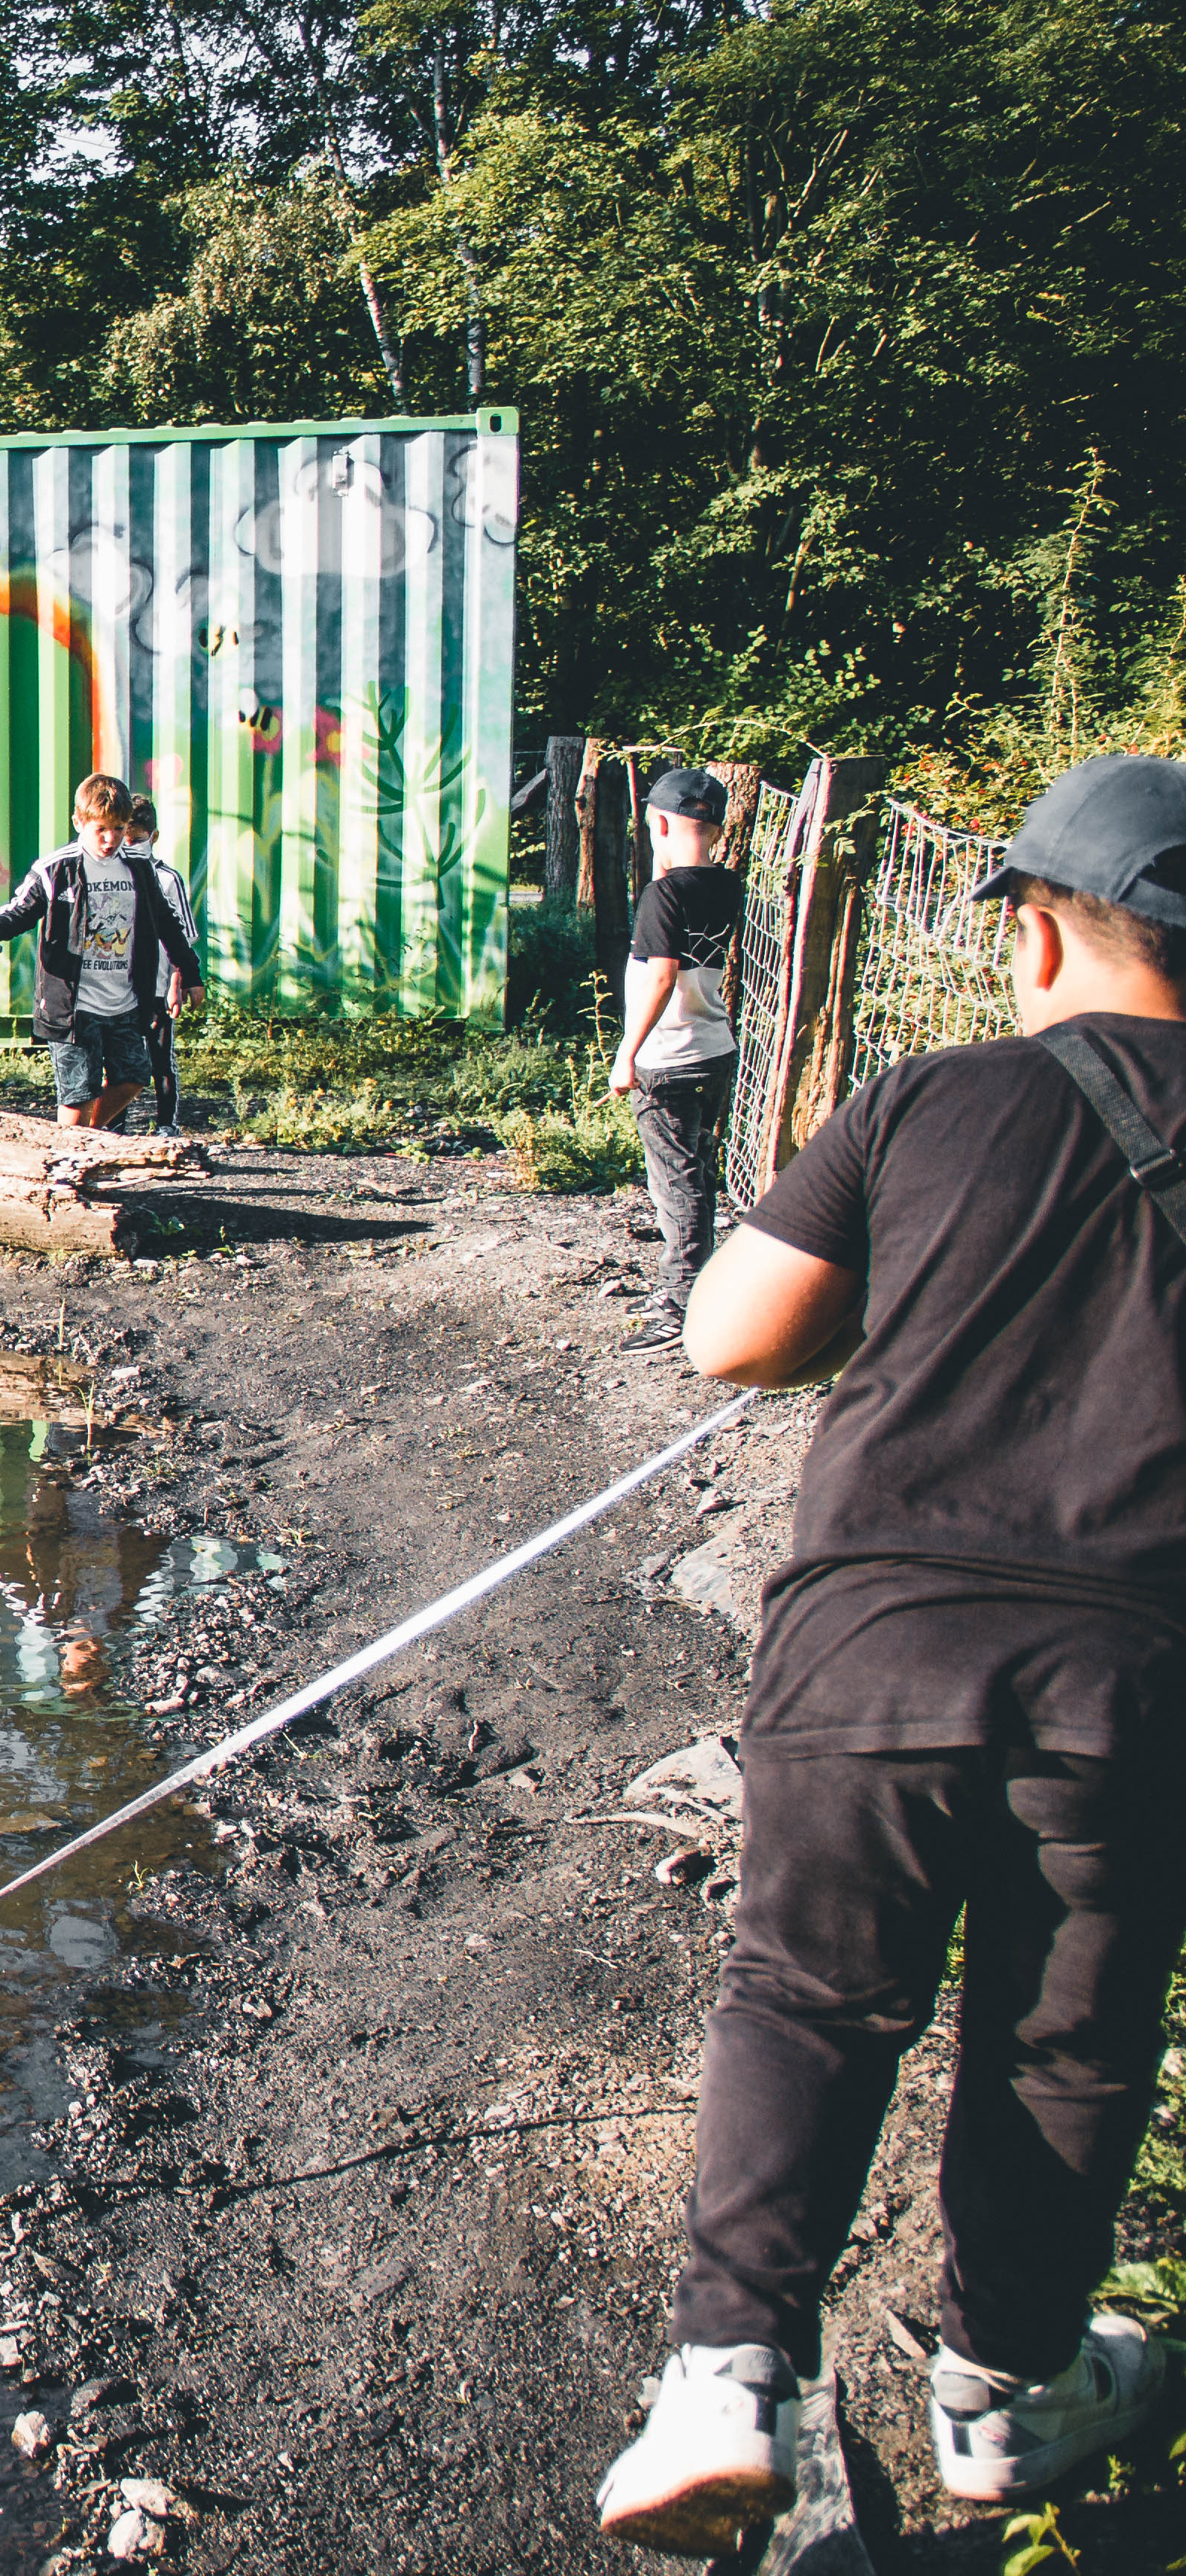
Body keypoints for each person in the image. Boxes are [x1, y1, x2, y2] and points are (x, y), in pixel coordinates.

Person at [590, 753, 1186, 2556]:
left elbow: (729, 1334)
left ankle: (725, 2374)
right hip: (1131, 1671)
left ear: (1031, 935)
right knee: (1067, 2044)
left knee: (805, 1994)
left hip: (871, 1643)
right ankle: (1008, 2393)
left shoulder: (931, 1097)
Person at [0, 772, 204, 1130]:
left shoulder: (138, 867)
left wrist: (190, 974)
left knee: (134, 1076)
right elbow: (18, 914)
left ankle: (86, 1140)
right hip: (73, 1006)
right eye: (101, 829)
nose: (110, 839)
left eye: (119, 829)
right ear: (78, 822)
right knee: (79, 1095)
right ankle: (69, 1152)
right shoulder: (57, 869)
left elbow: (168, 923)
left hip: (125, 1001)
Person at [611, 765, 747, 1348]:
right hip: (715, 1049)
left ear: (660, 825)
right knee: (698, 1171)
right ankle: (690, 1282)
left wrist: (627, 1053)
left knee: (674, 1181)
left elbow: (662, 976)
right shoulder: (727, 885)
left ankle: (680, 1302)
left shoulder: (662, 896)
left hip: (668, 1057)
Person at [126, 789, 199, 1136]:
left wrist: (176, 984)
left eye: (137, 840)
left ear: (153, 837)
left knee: (160, 1058)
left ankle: (167, 1125)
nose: (130, 846)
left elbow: (182, 938)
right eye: (125, 839)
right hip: (119, 989)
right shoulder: (112, 874)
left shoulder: (167, 879)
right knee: (119, 1060)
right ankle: (115, 1125)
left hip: (157, 986)